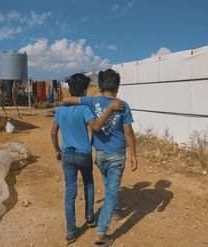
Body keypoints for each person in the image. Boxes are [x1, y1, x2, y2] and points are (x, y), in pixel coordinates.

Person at [63, 69, 138, 247]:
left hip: (100, 154)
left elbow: (66, 100)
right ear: (117, 87)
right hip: (116, 155)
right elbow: (128, 131)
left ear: (99, 86)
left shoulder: (92, 100)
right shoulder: (122, 105)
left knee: (108, 185)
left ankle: (117, 212)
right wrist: (133, 154)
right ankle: (101, 234)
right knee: (111, 191)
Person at [51, 73, 124, 245]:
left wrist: (57, 150)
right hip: (83, 154)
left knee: (70, 192)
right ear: (84, 90)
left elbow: (53, 132)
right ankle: (90, 218)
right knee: (89, 184)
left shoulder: (60, 110)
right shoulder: (84, 109)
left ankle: (70, 232)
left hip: (67, 155)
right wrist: (110, 109)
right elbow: (97, 127)